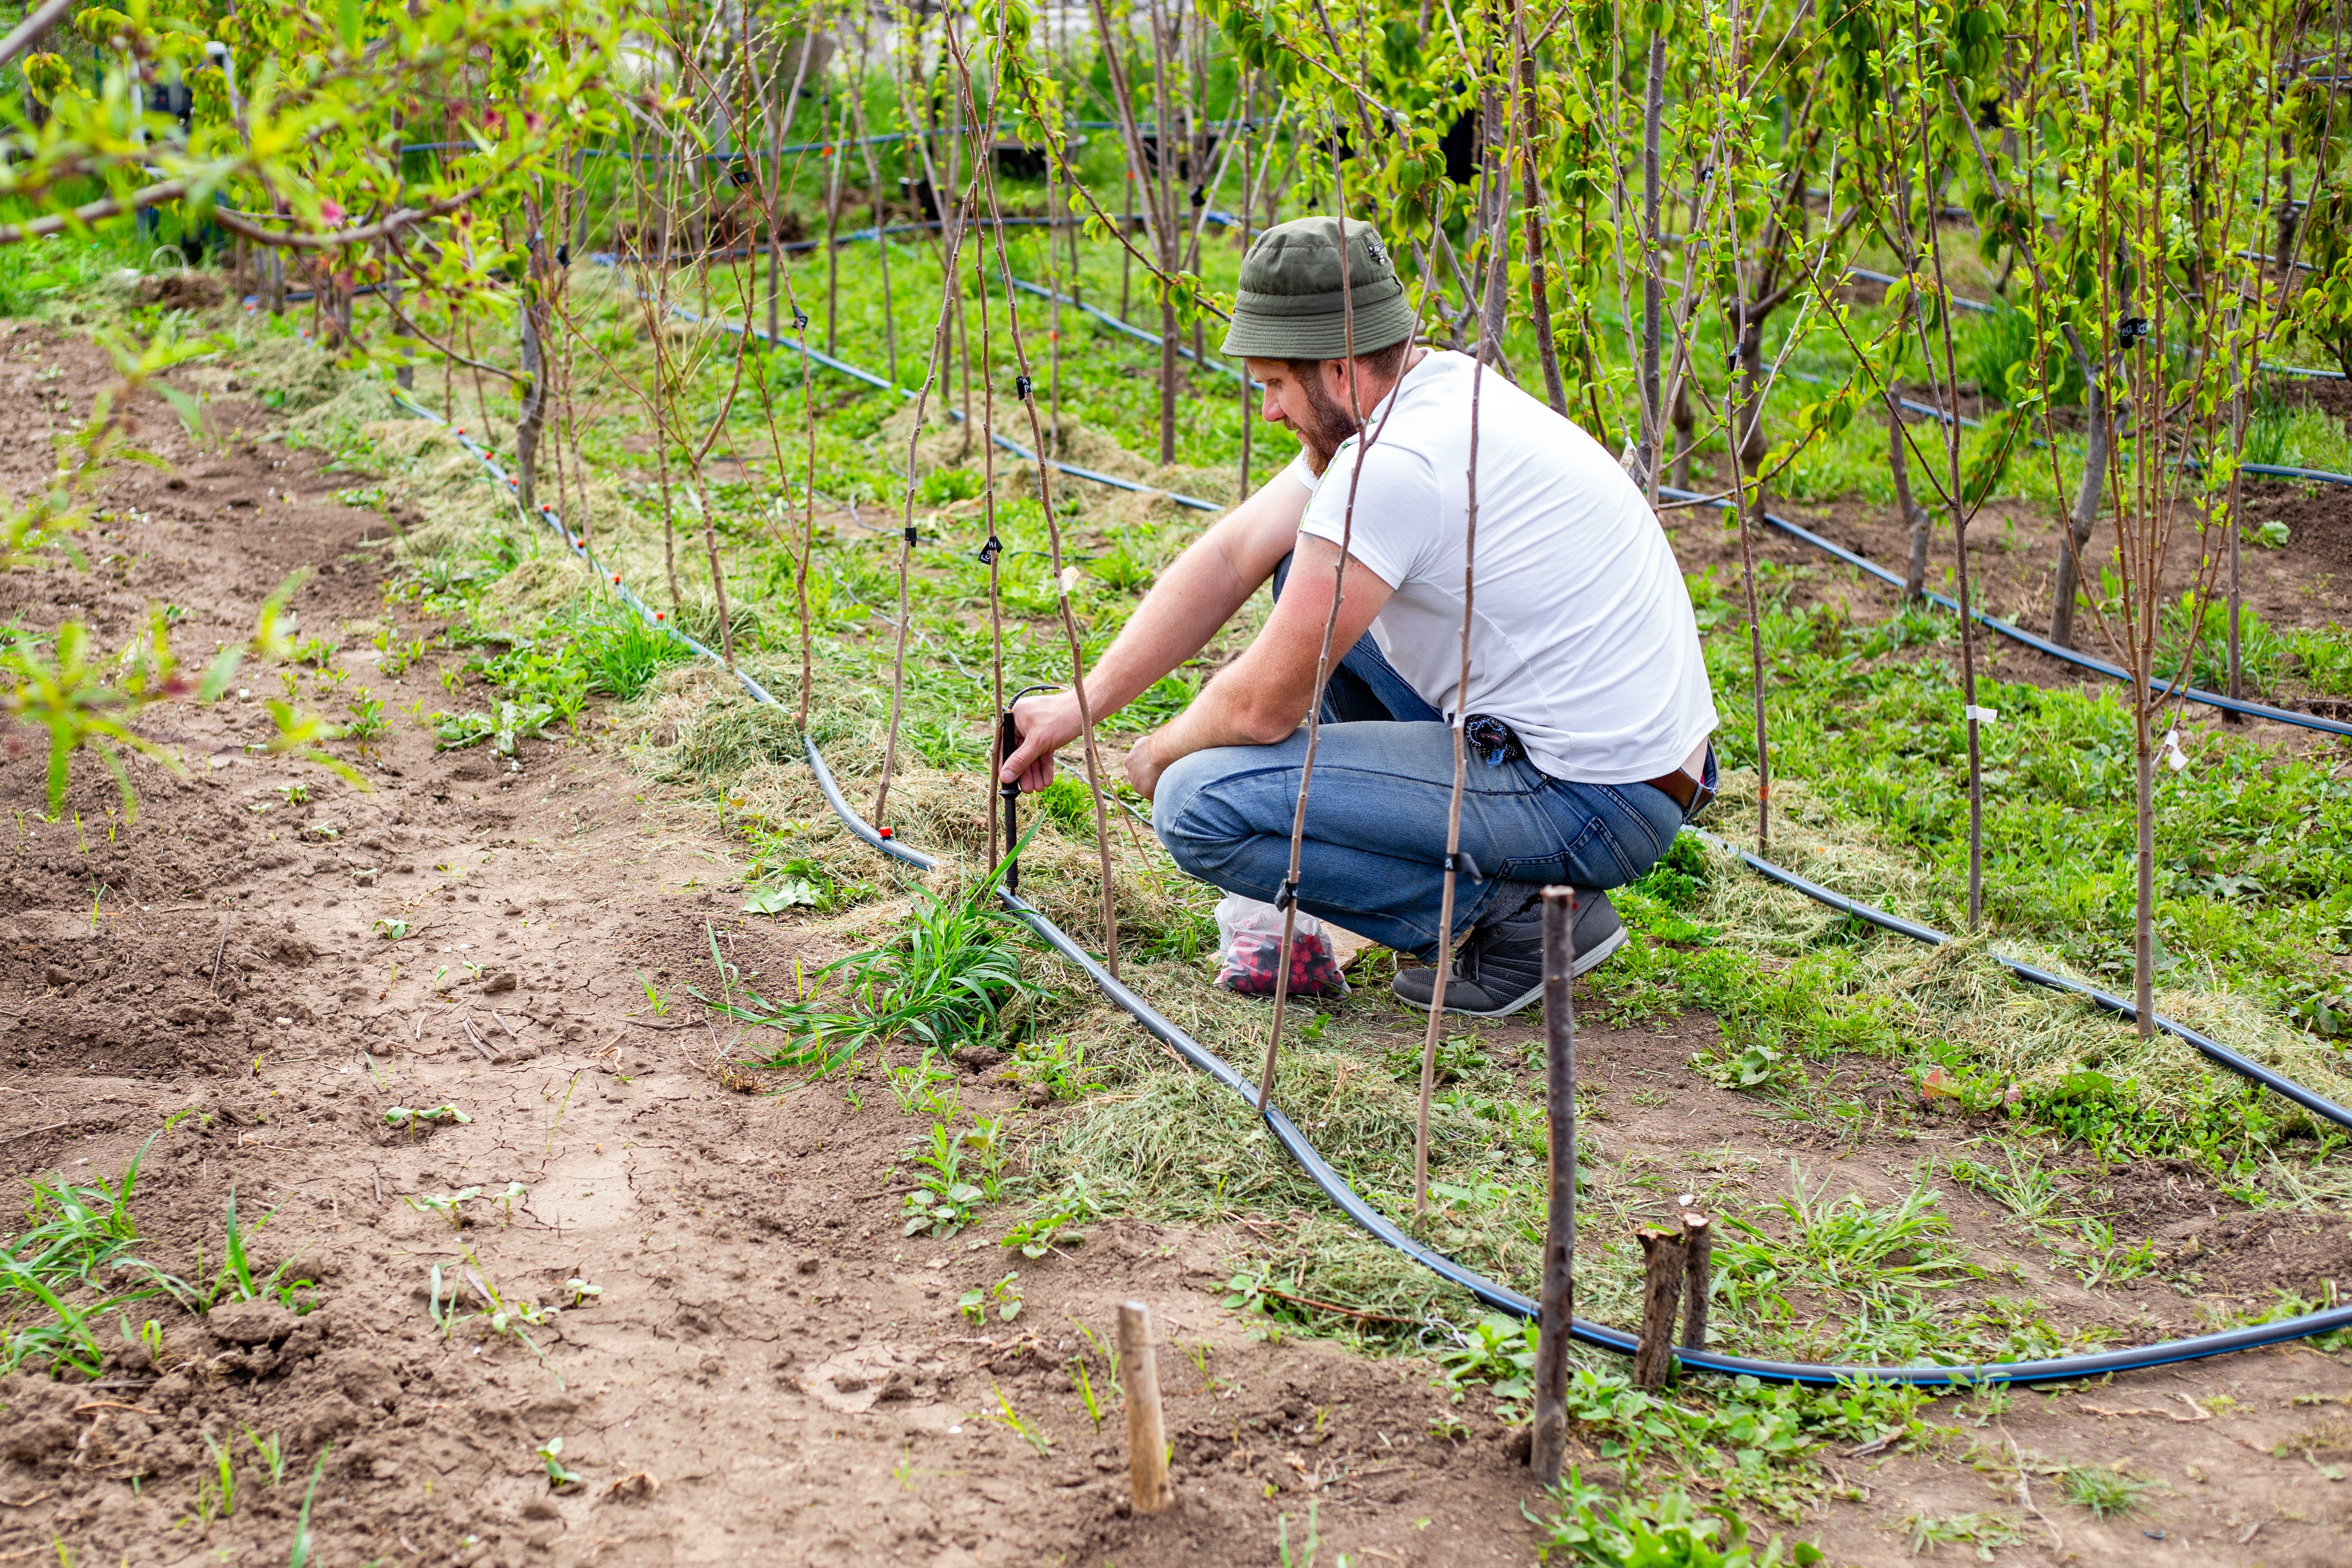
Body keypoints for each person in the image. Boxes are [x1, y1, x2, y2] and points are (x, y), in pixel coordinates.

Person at [999, 215, 1718, 1016]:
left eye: (1274, 383)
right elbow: (1235, 554)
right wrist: (1080, 703)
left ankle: (1519, 917)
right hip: (1628, 761)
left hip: (1596, 797)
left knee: (1197, 802)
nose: (1269, 410)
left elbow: (1260, 705)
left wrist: (1158, 751)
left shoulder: (1394, 464)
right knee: (1287, 570)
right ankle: (1480, 873)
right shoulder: (1431, 391)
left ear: (1339, 370)